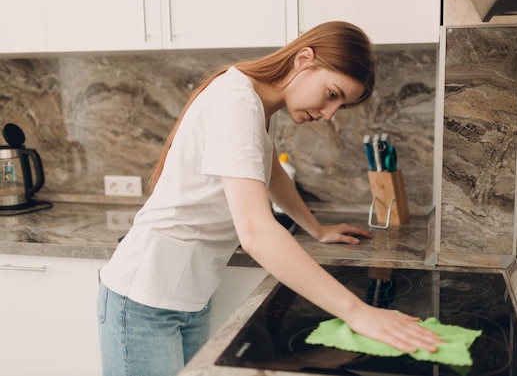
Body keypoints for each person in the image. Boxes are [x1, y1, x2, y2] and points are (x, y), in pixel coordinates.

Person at [97, 21, 440, 376]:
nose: (328, 114)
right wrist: (358, 312)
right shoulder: (237, 103)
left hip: (186, 299)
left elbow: (270, 170)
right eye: (332, 94)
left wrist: (316, 228)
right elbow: (256, 233)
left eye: (340, 107)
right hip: (142, 300)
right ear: (304, 59)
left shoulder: (257, 103)